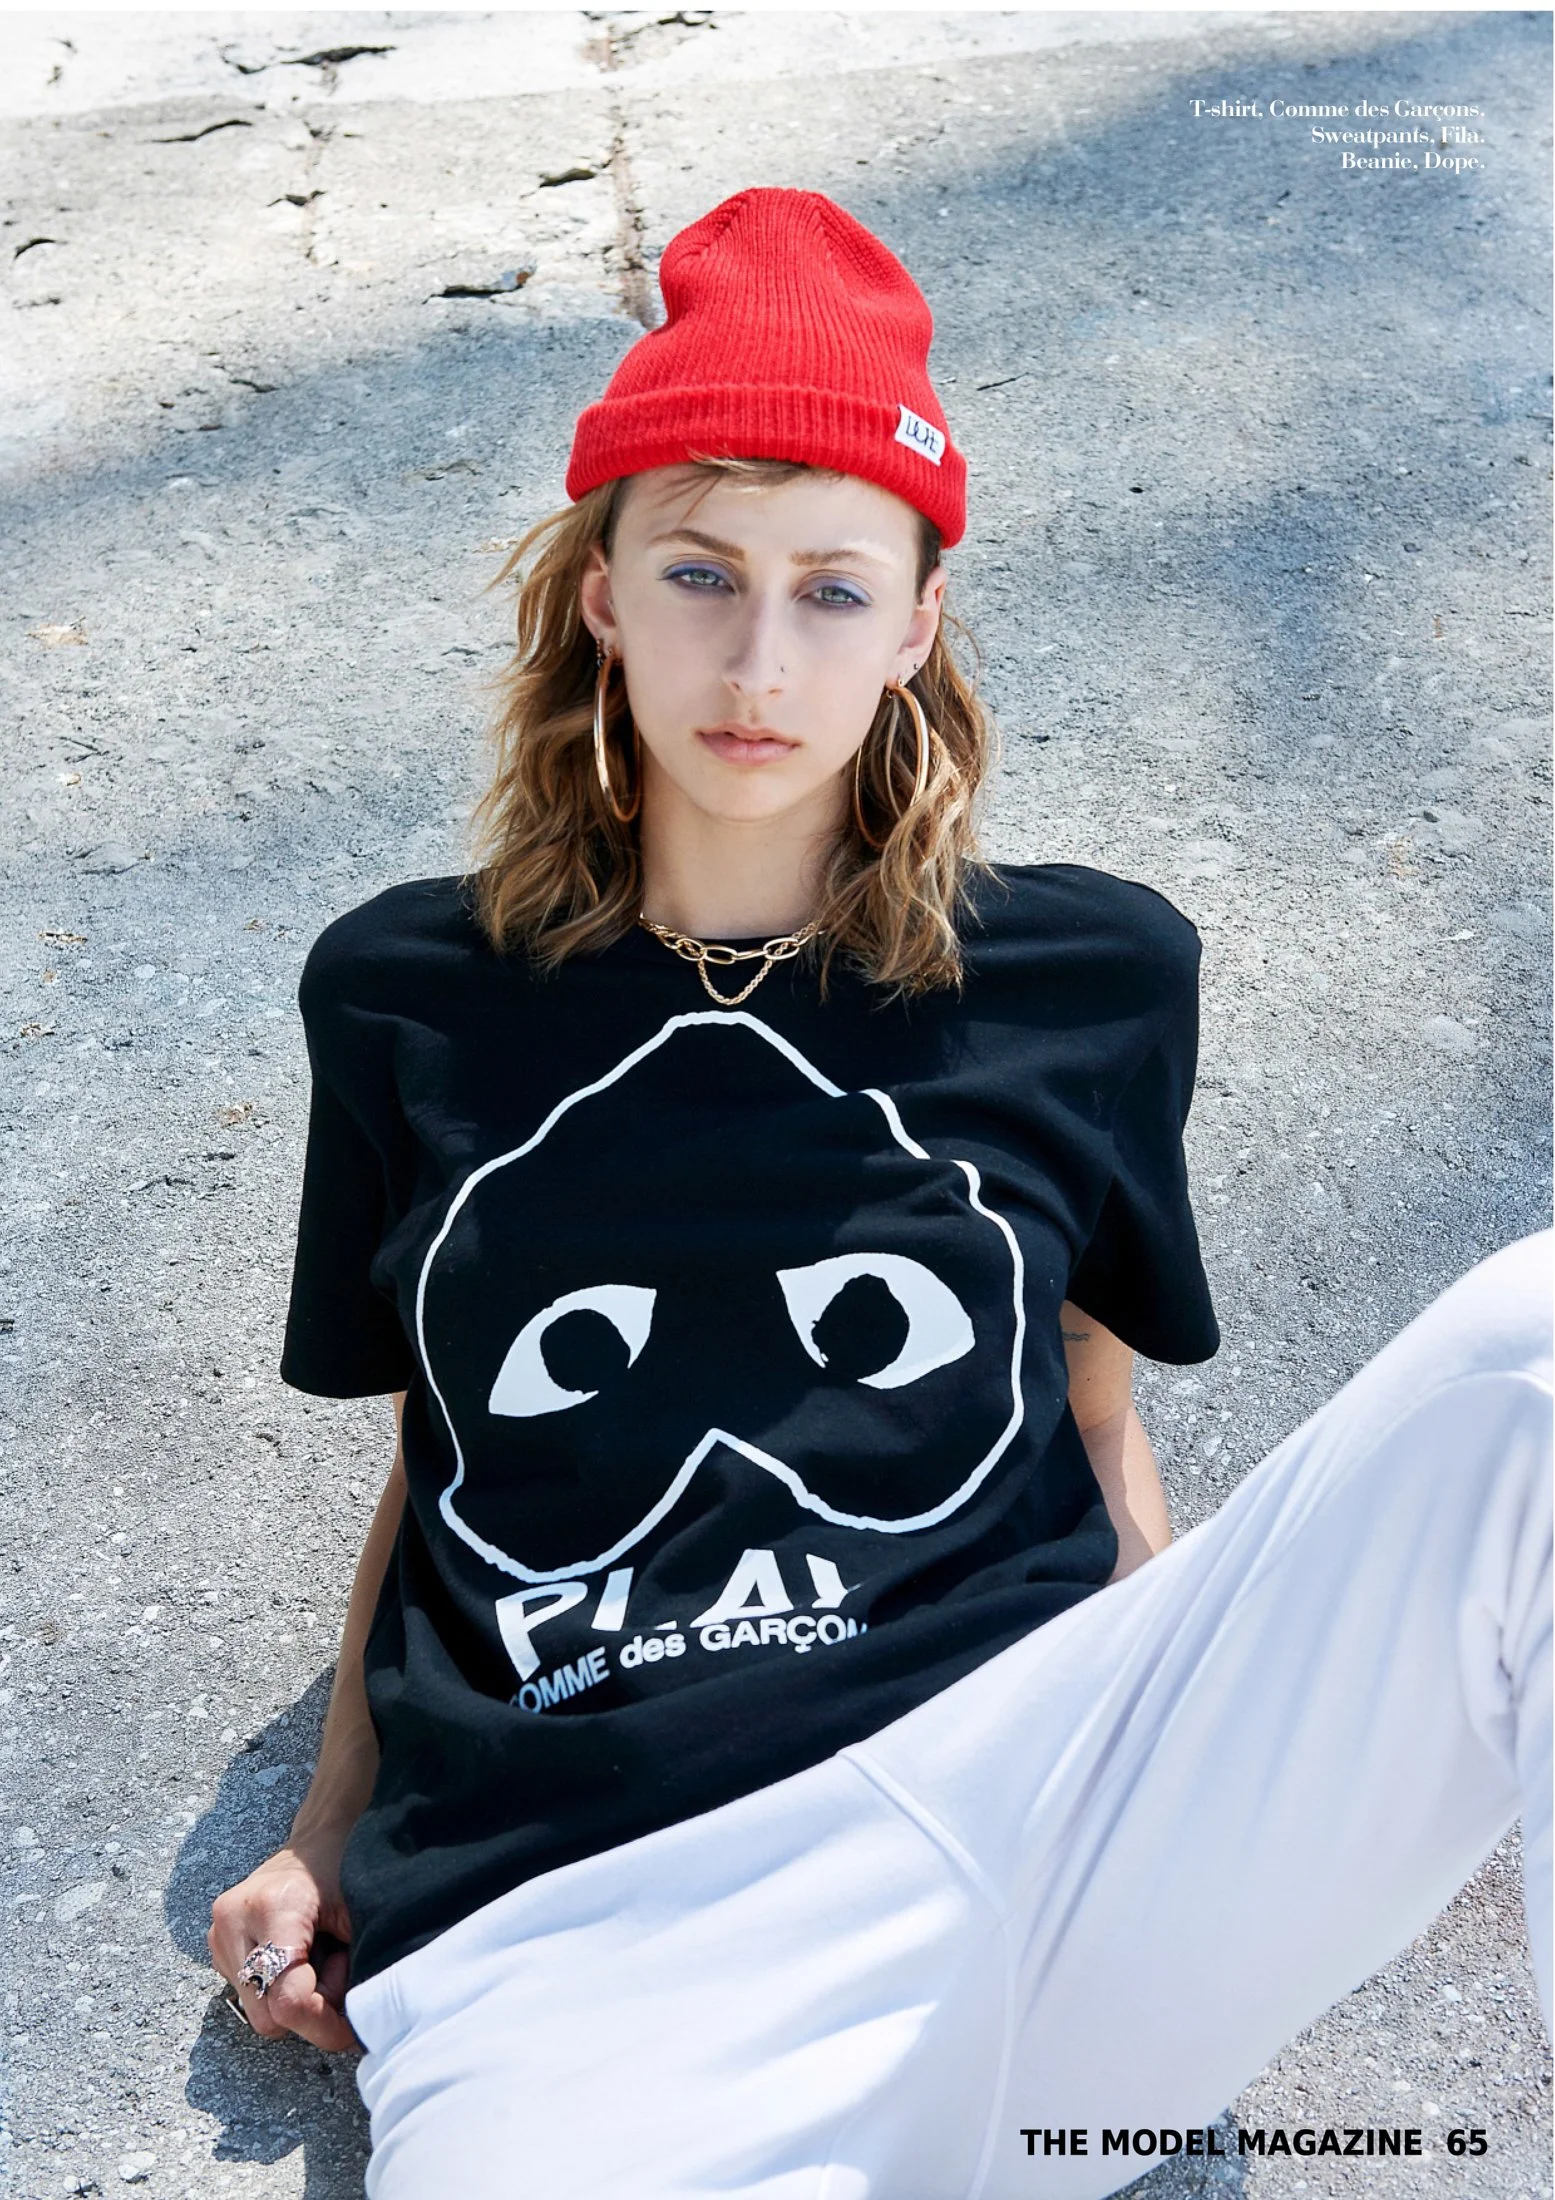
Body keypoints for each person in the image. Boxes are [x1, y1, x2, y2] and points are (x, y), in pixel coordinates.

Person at [207, 188, 1552, 2199]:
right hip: (588, 1945)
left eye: (835, 588)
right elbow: (449, 1443)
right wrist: (331, 1820)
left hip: (1038, 1821)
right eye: (699, 570)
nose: (762, 655)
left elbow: (1101, 1419)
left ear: (919, 619)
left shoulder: (1088, 978)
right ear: (602, 592)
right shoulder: (409, 994)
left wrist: (1206, 1738)